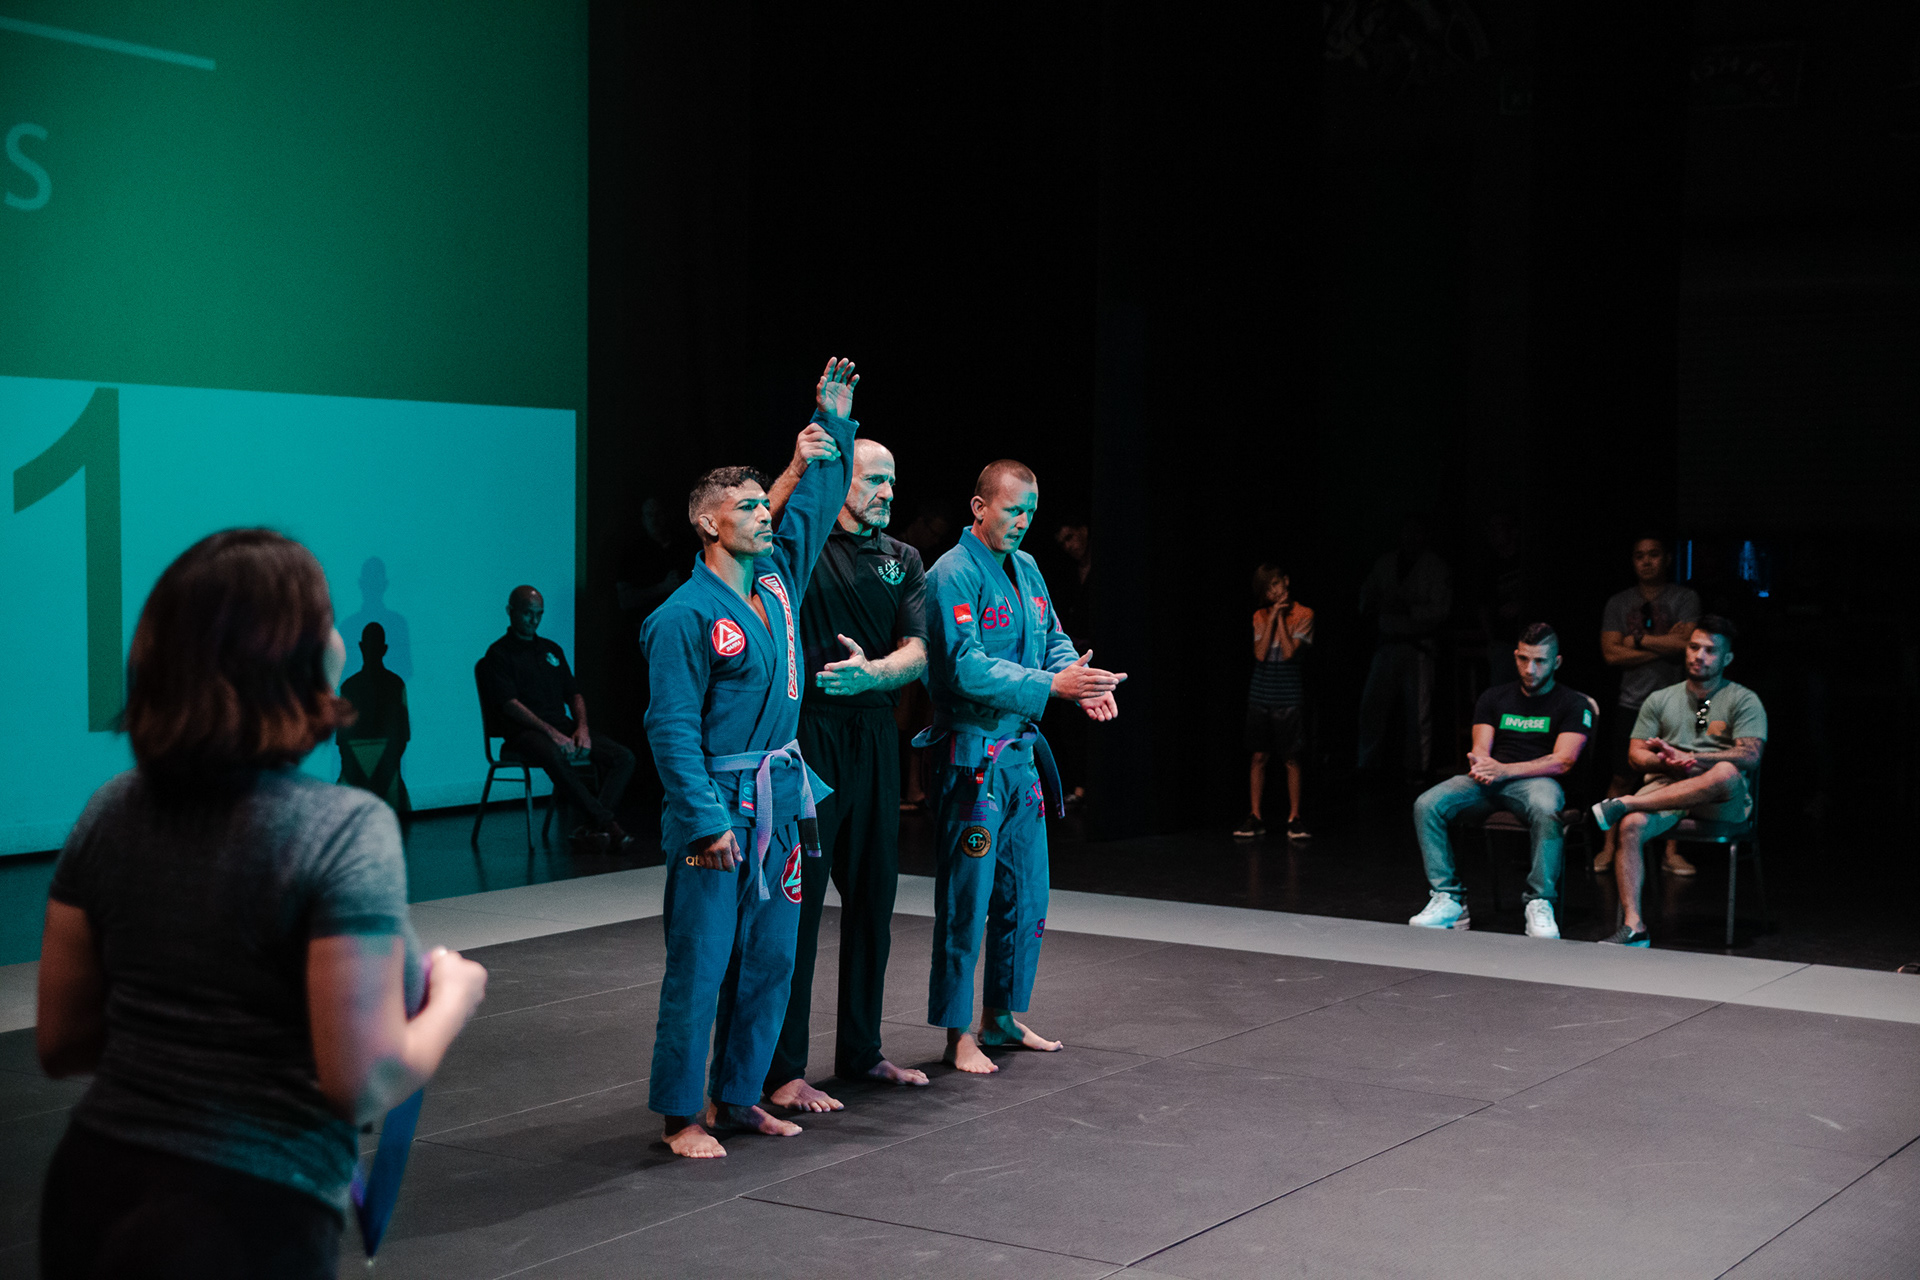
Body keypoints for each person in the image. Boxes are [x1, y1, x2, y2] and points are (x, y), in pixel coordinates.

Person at [36, 528, 487, 1280]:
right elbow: (362, 1082)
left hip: (92, 1185)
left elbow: (61, 1042)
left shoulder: (110, 811)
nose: (341, 638)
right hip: (246, 1214)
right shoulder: (343, 828)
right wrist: (454, 997)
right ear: (294, 656)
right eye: (327, 620)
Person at [639, 357, 859, 1158]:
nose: (766, 516)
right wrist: (703, 820)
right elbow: (670, 729)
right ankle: (681, 1116)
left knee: (771, 958)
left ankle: (739, 1095)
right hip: (718, 809)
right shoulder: (682, 617)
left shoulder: (775, 584)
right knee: (702, 966)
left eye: (765, 505)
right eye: (747, 508)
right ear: (708, 524)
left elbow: (817, 505)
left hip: (781, 798)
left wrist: (832, 427)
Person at [920, 459, 1126, 1074]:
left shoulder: (1029, 568)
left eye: (1031, 512)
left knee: (1026, 895)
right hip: (972, 761)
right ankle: (958, 1032)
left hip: (1019, 758)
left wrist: (1079, 680)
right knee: (968, 899)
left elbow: (1052, 638)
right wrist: (1050, 686)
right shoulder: (951, 574)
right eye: (1013, 510)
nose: (1023, 522)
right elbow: (965, 666)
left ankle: (1001, 1017)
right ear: (980, 507)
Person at [761, 436, 932, 1114]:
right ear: (839, 482)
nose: (888, 492)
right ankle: (783, 1069)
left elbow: (917, 651)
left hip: (874, 735)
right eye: (874, 480)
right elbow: (752, 528)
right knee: (799, 908)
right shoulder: (801, 546)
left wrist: (874, 674)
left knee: (873, 902)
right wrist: (800, 466)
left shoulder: (904, 559)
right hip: (811, 738)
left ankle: (862, 1051)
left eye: (892, 480)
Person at [1407, 623, 1591, 940]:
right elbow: (1481, 748)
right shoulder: (1494, 697)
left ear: (1556, 662)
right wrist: (1482, 764)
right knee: (1427, 804)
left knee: (1547, 807)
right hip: (1491, 780)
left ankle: (1540, 901)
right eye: (1524, 659)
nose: (1530, 669)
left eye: (1540, 661)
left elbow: (1563, 760)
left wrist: (1505, 770)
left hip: (1537, 781)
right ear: (1515, 656)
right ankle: (1450, 899)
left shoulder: (1573, 703)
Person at [1592, 616, 1766, 947]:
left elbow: (1750, 755)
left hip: (1718, 800)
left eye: (1710, 650)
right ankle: (1634, 925)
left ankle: (1627, 802)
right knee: (1631, 825)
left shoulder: (1743, 699)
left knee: (1726, 771)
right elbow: (1635, 755)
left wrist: (1694, 759)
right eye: (1694, 647)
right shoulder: (1660, 699)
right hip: (1668, 786)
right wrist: (1668, 763)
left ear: (1727, 658)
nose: (1699, 655)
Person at [479, 585, 636, 854]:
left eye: (539, 614)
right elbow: (510, 705)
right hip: (523, 733)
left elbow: (574, 694)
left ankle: (593, 824)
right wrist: (552, 733)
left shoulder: (551, 649)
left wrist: (582, 728)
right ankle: (607, 823)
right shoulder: (498, 654)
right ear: (510, 611)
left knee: (623, 757)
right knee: (553, 753)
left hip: (562, 727)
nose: (534, 620)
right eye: (527, 613)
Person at [1595, 535, 1702, 875]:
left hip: (1677, 702)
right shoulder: (1619, 602)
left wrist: (1637, 640)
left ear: (1667, 559)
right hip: (1632, 701)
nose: (1646, 561)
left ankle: (1671, 852)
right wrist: (1664, 644)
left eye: (1653, 554)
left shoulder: (1684, 598)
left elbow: (1688, 646)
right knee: (1621, 776)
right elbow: (1611, 653)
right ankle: (1609, 847)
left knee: (1676, 776)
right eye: (1639, 555)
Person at [1357, 517, 1453, 777]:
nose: (1411, 537)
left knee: (1419, 712)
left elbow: (1441, 610)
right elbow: (1367, 596)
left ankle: (1417, 768)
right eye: (1407, 532)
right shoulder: (1386, 563)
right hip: (1387, 643)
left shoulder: (1435, 567)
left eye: (1417, 532)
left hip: (1419, 646)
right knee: (1371, 706)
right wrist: (1373, 604)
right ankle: (1367, 765)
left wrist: (1408, 609)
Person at [1234, 563, 1313, 840]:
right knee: (1258, 756)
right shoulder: (1259, 616)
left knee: (1291, 756)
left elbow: (1290, 652)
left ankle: (1294, 817)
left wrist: (1280, 617)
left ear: (1286, 581)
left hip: (1288, 695)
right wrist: (1272, 616)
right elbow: (1259, 653)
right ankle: (1255, 815)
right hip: (1261, 693)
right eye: (1268, 589)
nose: (1274, 592)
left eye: (1276, 584)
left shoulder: (1304, 614)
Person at [337, 622, 411, 817]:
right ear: (384, 649)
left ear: (360, 647)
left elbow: (342, 743)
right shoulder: (396, 685)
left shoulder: (348, 687)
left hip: (363, 776)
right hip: (386, 774)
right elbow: (403, 737)